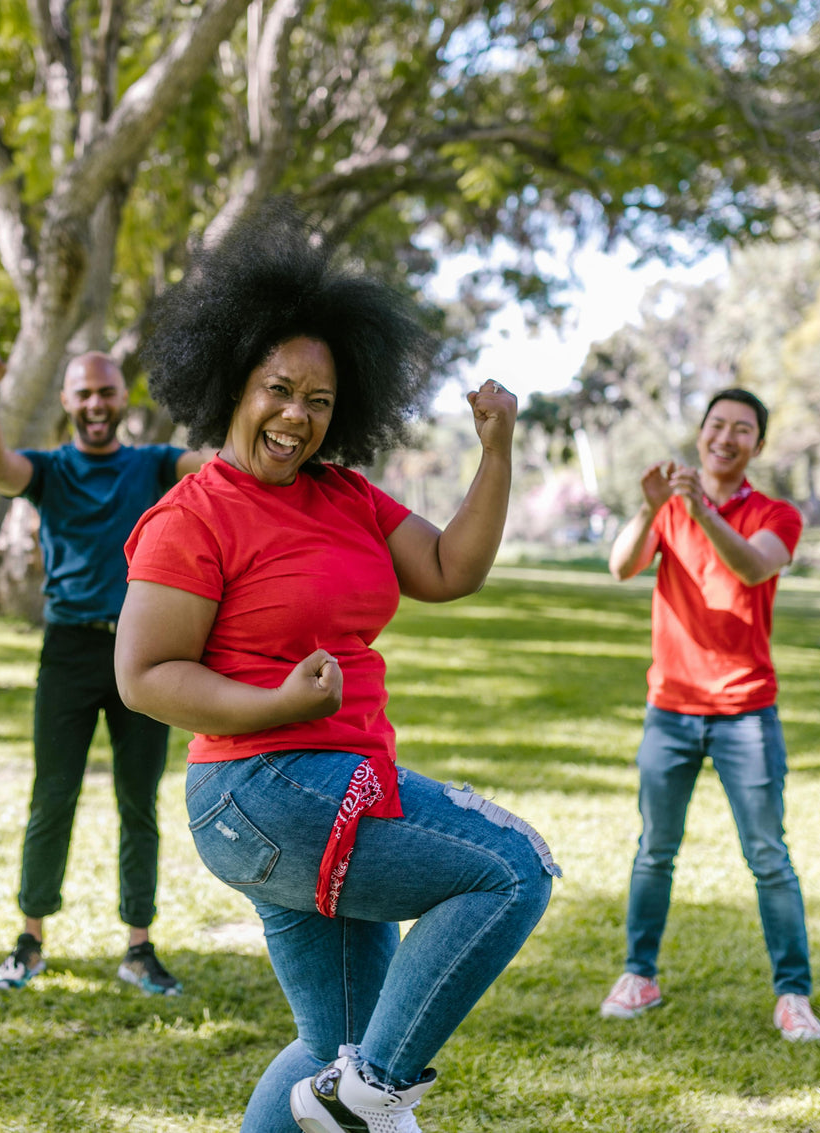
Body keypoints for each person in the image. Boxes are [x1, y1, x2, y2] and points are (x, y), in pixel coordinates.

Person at [114, 205, 559, 1133]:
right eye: (278, 390)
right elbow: (145, 674)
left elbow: (450, 569)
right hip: (263, 788)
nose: (297, 416)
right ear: (233, 384)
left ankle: (348, 1086)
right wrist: (277, 700)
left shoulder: (346, 494)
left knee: (333, 1040)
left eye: (319, 401)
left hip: (326, 784)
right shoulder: (193, 517)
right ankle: (371, 1098)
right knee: (510, 868)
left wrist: (496, 452)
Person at [0, 330, 210, 996]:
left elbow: (222, 463)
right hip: (69, 649)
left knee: (139, 801)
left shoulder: (155, 464)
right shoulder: (50, 471)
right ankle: (29, 940)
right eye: (84, 393)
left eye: (106, 391)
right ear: (68, 401)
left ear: (123, 398)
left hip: (145, 649)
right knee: (53, 795)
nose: (96, 403)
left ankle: (139, 947)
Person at [600, 389, 820, 1042]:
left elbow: (752, 566)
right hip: (669, 709)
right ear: (701, 433)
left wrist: (697, 508)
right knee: (654, 851)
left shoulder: (777, 514)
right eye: (717, 425)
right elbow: (620, 566)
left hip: (745, 713)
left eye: (742, 429)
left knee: (768, 856)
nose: (726, 438)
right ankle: (639, 975)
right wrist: (652, 508)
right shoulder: (669, 507)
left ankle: (793, 994)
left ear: (758, 444)